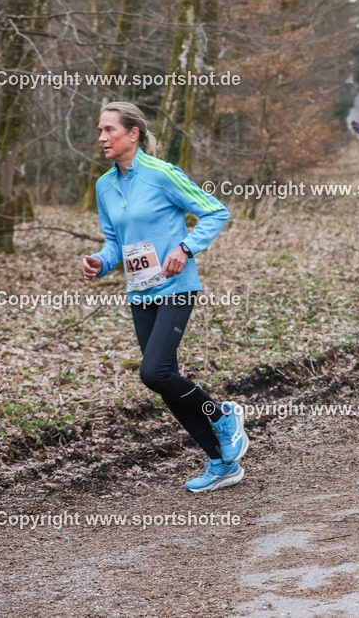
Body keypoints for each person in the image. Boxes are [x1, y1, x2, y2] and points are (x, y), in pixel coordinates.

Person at [81, 102, 248, 493]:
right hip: (140, 292)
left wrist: (185, 248)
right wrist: (99, 263)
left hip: (175, 287)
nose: (102, 137)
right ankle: (221, 463)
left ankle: (223, 414)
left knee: (153, 372)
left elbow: (214, 212)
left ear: (133, 133)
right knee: (163, 380)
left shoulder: (161, 174)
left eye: (109, 130)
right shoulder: (104, 186)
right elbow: (114, 242)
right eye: (100, 131)